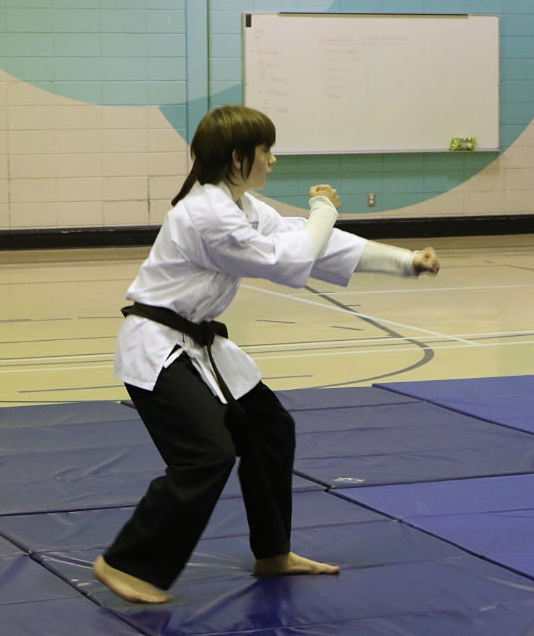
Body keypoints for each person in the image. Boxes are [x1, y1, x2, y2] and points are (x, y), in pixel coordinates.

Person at [94, 105, 441, 604]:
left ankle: (273, 552)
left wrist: (405, 261)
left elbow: (311, 245)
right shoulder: (206, 213)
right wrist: (324, 207)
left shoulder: (242, 207)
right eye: (266, 150)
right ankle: (125, 563)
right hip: (158, 347)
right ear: (238, 157)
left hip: (199, 344)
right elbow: (290, 260)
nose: (273, 160)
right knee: (206, 456)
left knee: (270, 431)